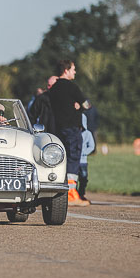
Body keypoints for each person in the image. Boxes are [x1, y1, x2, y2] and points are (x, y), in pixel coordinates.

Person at [48, 59, 91, 206]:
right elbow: (86, 104)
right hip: (72, 128)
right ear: (66, 70)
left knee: (61, 160)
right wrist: (80, 107)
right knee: (73, 158)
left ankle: (59, 193)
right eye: (73, 69)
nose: (75, 72)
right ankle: (71, 194)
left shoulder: (52, 89)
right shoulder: (71, 87)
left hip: (58, 130)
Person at [78, 112, 96, 202]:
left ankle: (81, 194)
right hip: (73, 161)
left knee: (83, 178)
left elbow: (92, 146)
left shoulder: (88, 134)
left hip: (83, 161)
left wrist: (84, 153)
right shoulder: (73, 133)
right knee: (72, 179)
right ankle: (72, 194)